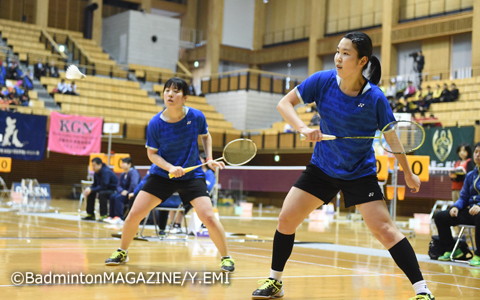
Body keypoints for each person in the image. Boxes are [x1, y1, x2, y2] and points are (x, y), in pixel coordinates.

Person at [251, 32, 434, 300]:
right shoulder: (322, 81)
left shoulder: (375, 98)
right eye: (338, 51)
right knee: (286, 219)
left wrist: (407, 172)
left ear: (362, 61)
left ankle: (422, 291)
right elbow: (284, 103)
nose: (338, 57)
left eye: (346, 53)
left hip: (359, 172)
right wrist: (303, 128)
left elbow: (392, 137)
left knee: (385, 230)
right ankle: (274, 281)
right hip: (322, 168)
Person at [104, 77, 235, 272]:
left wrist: (209, 158)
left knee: (208, 216)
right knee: (134, 215)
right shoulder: (155, 123)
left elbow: (206, 136)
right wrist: (170, 168)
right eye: (167, 91)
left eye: (175, 91)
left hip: (192, 175)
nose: (170, 95)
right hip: (162, 175)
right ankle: (122, 250)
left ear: (185, 98)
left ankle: (226, 257)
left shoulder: (197, 117)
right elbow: (152, 154)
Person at [434, 142, 480, 266]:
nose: (478, 155)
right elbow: (463, 197)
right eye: (476, 152)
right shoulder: (470, 175)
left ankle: (479, 254)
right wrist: (455, 206)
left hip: (479, 212)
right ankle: (453, 249)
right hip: (470, 211)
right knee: (440, 216)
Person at [105, 157, 141, 224]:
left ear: (129, 164)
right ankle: (111, 216)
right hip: (123, 193)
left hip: (131, 194)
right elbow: (118, 185)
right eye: (122, 163)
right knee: (112, 196)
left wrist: (128, 192)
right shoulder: (123, 174)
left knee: (118, 198)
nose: (122, 164)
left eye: (124, 163)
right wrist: (121, 191)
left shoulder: (134, 172)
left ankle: (119, 217)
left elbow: (134, 184)